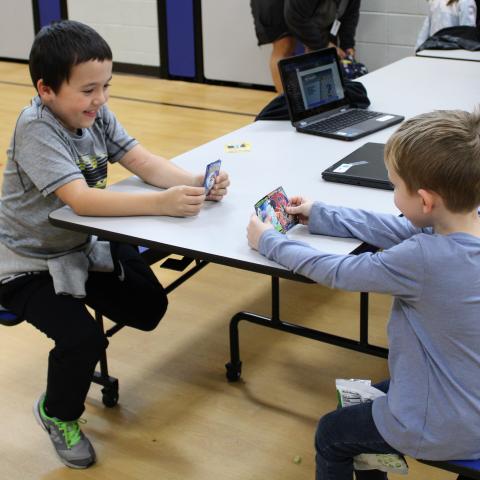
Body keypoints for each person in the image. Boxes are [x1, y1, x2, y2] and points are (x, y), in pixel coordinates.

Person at [0, 20, 230, 469]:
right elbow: (82, 201)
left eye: (105, 86)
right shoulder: (36, 127)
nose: (100, 100)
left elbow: (140, 160)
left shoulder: (94, 113)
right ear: (46, 90)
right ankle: (58, 412)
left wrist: (196, 181)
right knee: (83, 338)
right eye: (88, 90)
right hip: (25, 262)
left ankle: (81, 338)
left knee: (148, 308)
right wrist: (162, 205)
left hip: (78, 246)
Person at [247, 109, 480, 479]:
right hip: (468, 396)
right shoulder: (464, 225)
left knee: (332, 433)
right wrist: (320, 214)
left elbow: (338, 272)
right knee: (367, 399)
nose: (393, 197)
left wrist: (269, 241)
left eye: (395, 187)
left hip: (444, 426)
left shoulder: (422, 258)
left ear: (425, 201)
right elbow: (397, 229)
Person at [250, 0, 361, 92]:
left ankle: (316, 100)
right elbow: (296, 17)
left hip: (303, 6)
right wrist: (324, 44)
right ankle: (285, 103)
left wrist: (348, 45)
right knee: (285, 46)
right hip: (276, 5)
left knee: (317, 45)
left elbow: (350, 14)